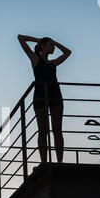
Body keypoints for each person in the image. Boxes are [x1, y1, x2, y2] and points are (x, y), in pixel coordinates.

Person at [17, 34, 72, 163]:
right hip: (40, 96)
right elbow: (20, 38)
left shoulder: (53, 63)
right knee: (43, 130)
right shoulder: (35, 58)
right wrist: (39, 40)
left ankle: (59, 162)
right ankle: (44, 162)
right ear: (43, 46)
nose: (53, 47)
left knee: (57, 130)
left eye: (53, 45)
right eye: (51, 44)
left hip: (55, 95)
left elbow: (68, 52)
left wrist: (55, 42)